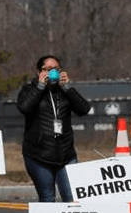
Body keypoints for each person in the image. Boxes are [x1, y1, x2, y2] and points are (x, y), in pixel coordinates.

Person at [16, 55, 91, 202]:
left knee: (73, 199)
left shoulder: (64, 91)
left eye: (56, 69)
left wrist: (68, 88)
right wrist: (40, 87)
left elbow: (84, 109)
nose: (53, 73)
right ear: (39, 72)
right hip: (39, 156)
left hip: (66, 155)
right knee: (48, 198)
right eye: (48, 69)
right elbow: (24, 107)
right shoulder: (29, 89)